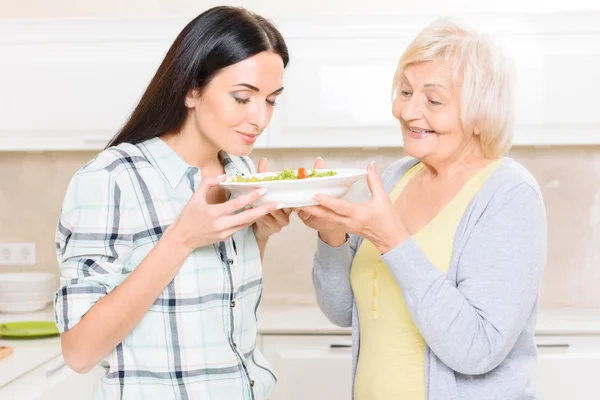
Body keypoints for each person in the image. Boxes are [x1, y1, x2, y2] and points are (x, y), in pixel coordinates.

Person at [298, 18, 547, 400]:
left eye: (433, 100)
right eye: (405, 91)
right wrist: (330, 235)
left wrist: (393, 241)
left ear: (481, 114)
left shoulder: (508, 193)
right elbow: (342, 311)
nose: (408, 111)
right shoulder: (398, 176)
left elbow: (477, 348)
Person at [54, 6, 290, 399]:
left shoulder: (240, 171)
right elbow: (79, 352)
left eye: (271, 100)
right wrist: (180, 239)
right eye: (243, 97)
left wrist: (259, 237)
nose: (260, 118)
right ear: (192, 89)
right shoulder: (112, 179)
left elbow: (215, 309)